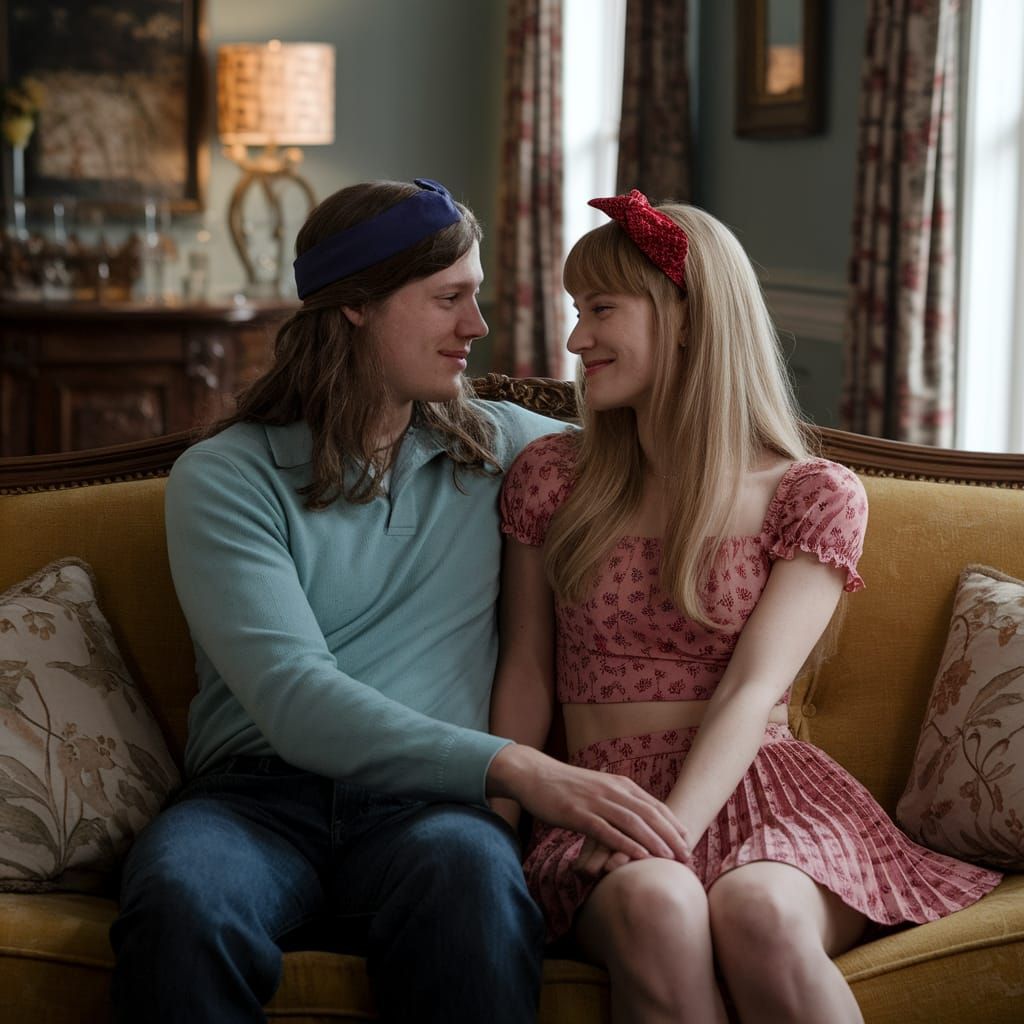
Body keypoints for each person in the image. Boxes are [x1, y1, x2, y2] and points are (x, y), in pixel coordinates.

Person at [108, 178, 689, 1024]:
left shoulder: (505, 448)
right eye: (449, 298)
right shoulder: (226, 478)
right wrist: (521, 770)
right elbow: (294, 697)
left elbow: (688, 440)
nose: (477, 328)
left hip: (433, 815)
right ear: (355, 307)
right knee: (178, 899)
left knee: (477, 892)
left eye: (476, 297)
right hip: (254, 802)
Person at [491, 190, 1003, 1024]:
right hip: (601, 795)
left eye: (601, 309)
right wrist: (497, 829)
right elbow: (523, 671)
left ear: (686, 318)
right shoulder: (554, 478)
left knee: (759, 913)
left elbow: (751, 690)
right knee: (658, 904)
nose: (577, 339)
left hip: (770, 794)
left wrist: (668, 832)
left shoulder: (809, 494)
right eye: (576, 311)